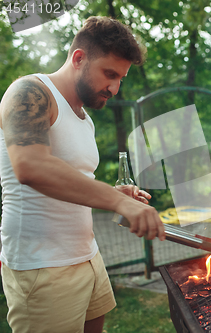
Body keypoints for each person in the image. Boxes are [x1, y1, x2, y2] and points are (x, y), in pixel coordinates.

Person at [0, 16, 166, 333]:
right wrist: (121, 205)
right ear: (79, 58)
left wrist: (116, 196)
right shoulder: (30, 92)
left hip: (87, 256)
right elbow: (30, 166)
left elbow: (74, 182)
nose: (115, 88)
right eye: (110, 74)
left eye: (121, 79)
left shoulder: (83, 118)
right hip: (43, 267)